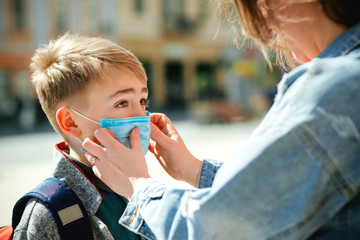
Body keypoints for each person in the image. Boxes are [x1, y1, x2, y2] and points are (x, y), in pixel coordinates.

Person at [82, 0, 360, 239]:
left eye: (259, 7)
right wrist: (193, 169)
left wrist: (136, 183)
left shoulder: (335, 87)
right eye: (121, 102)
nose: (268, 26)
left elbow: (217, 228)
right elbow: (276, 193)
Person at [14, 33, 150, 240]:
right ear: (71, 121)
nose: (142, 116)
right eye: (122, 103)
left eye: (142, 101)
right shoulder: (49, 214)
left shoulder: (139, 186)